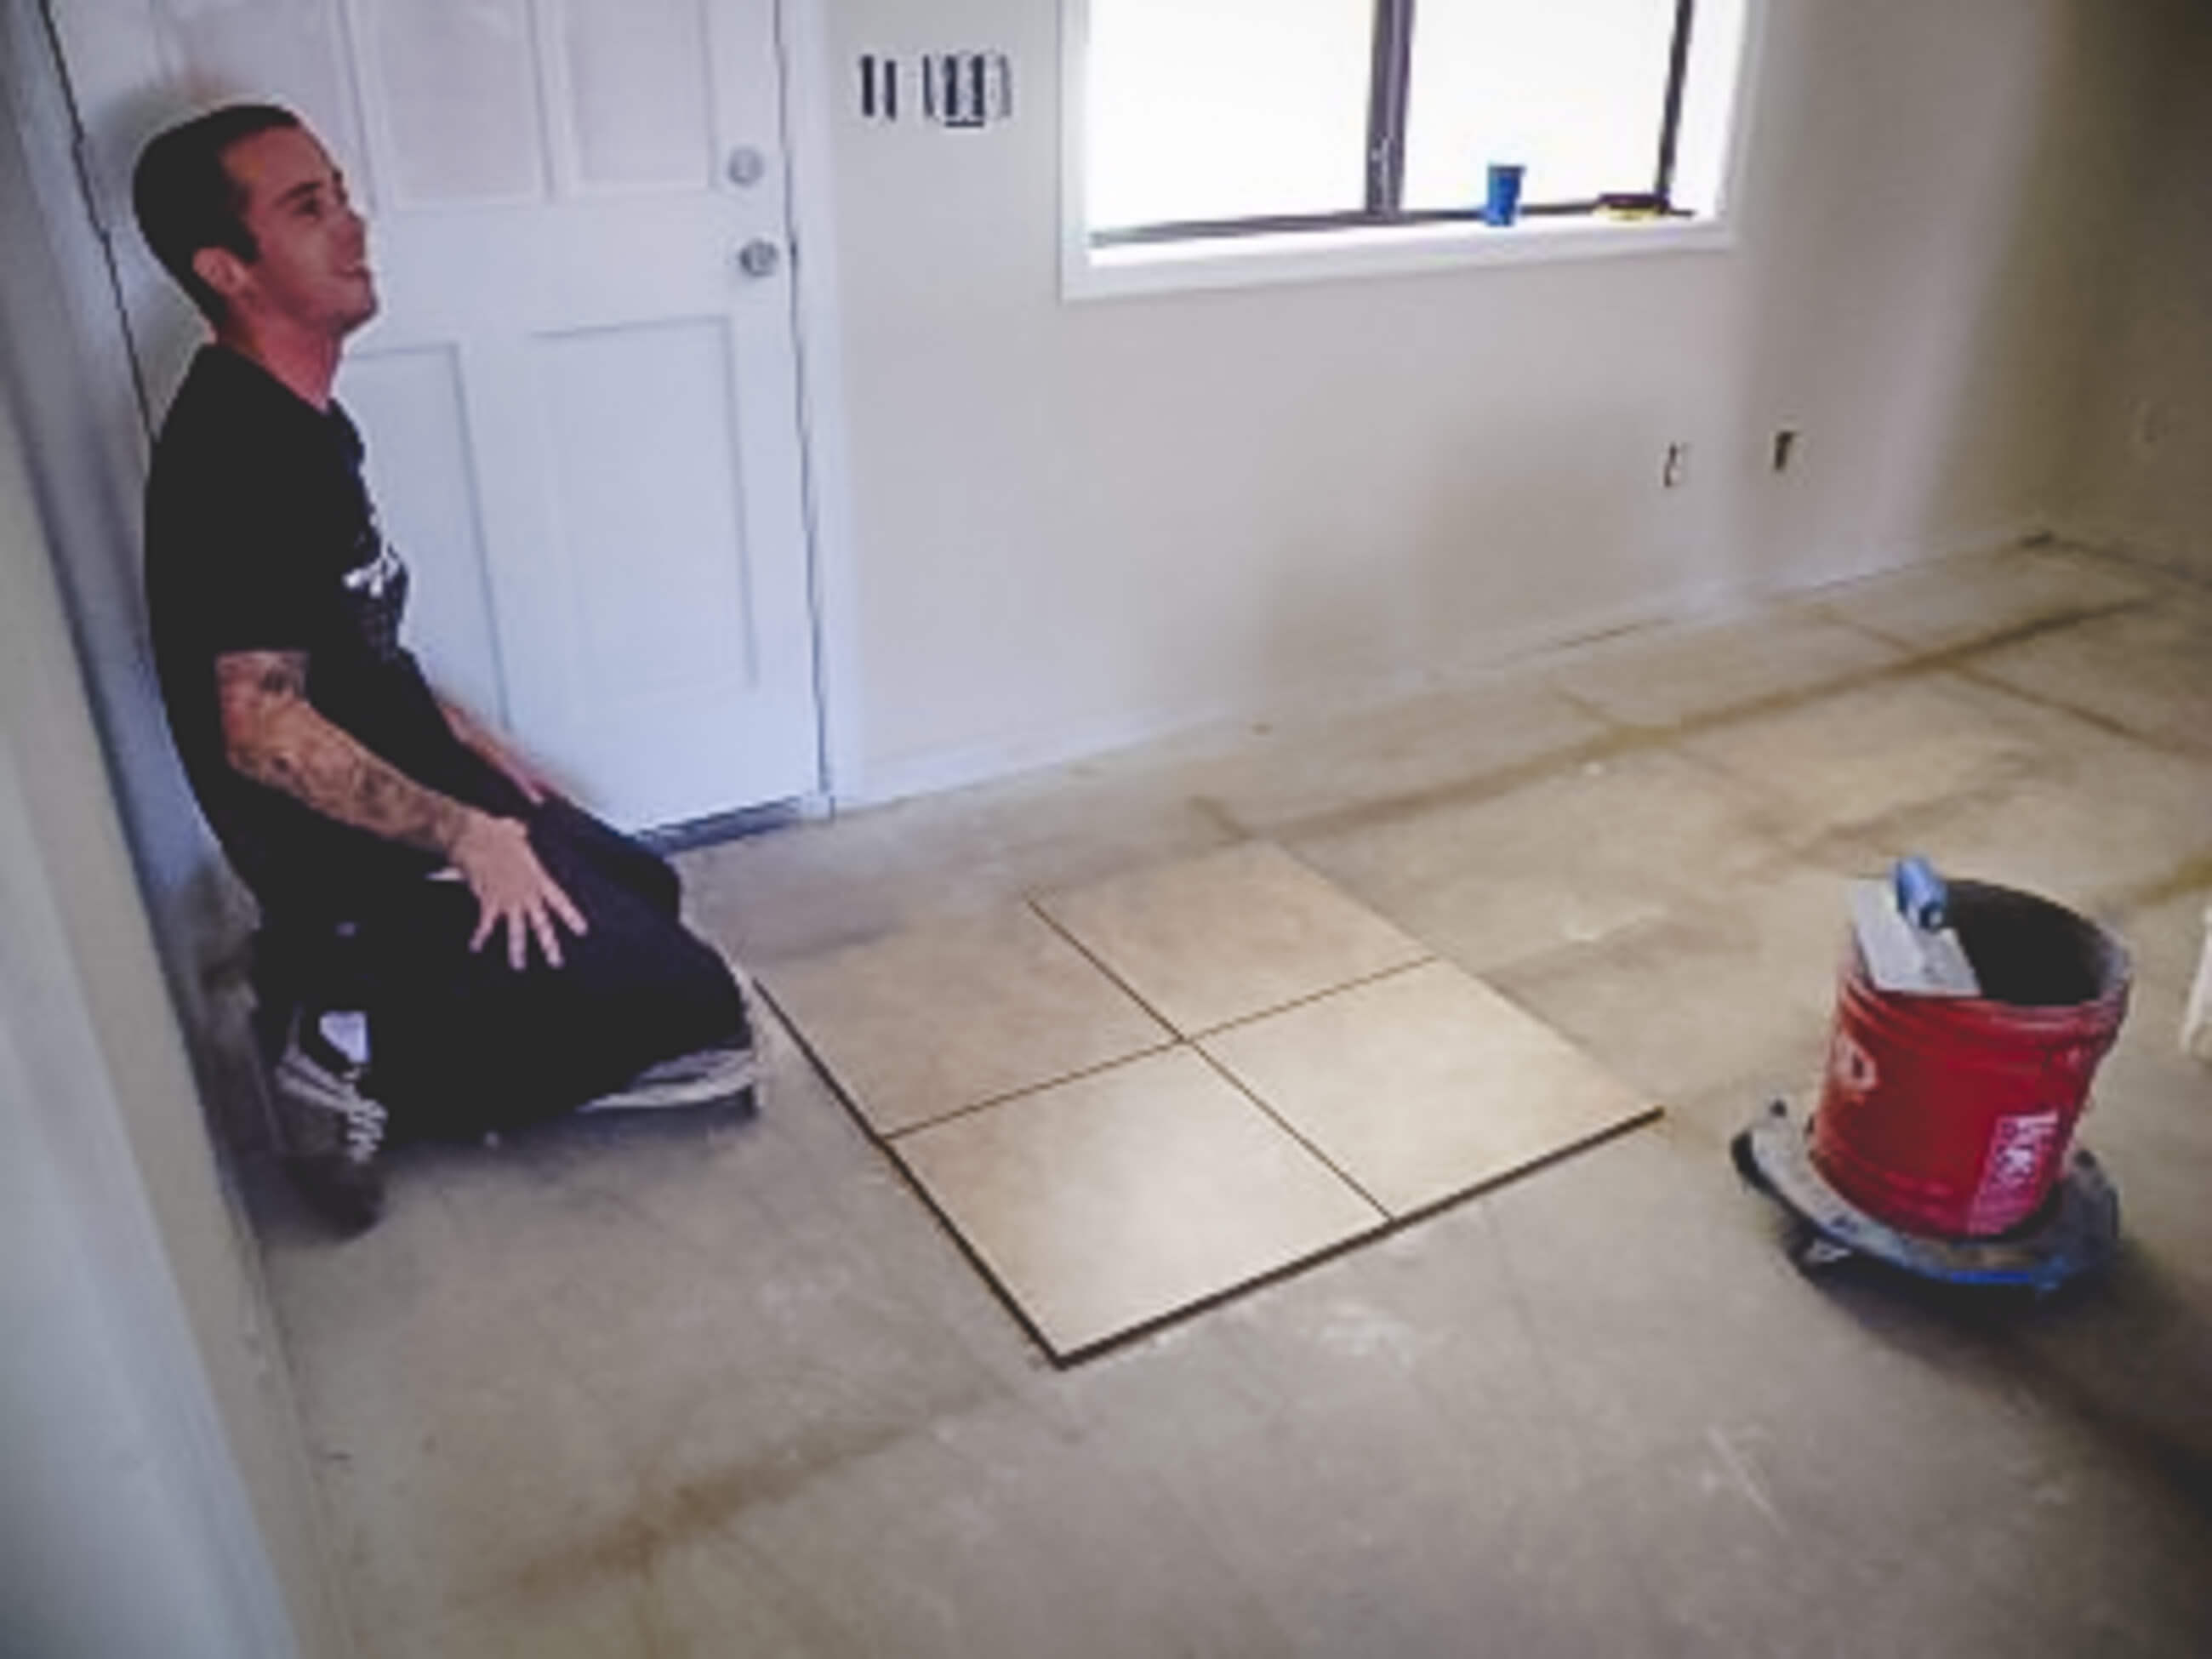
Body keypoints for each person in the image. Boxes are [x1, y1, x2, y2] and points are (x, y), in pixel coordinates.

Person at [133, 104, 755, 1229]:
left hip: (404, 772)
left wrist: (467, 738)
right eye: (307, 208)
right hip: (349, 862)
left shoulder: (301, 414)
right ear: (228, 269)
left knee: (646, 889)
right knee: (697, 1015)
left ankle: (367, 994)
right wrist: (469, 835)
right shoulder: (242, 457)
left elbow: (352, 638)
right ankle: (341, 1036)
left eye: (341, 191)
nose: (353, 224)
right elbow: (261, 728)